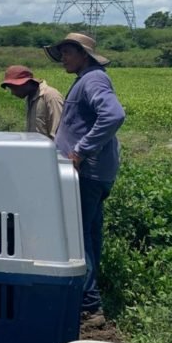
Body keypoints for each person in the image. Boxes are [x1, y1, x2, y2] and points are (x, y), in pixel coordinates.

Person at [45, 32, 125, 326]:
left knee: (79, 238)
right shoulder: (88, 78)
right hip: (95, 173)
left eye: (68, 52)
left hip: (87, 173)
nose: (63, 57)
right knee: (90, 234)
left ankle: (90, 306)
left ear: (84, 55)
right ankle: (92, 298)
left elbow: (113, 115)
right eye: (62, 52)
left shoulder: (93, 79)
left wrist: (79, 151)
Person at [0, 65, 64, 139]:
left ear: (26, 83)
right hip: (35, 149)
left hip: (48, 149)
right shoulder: (30, 98)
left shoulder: (51, 96)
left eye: (14, 88)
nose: (12, 93)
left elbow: (59, 134)